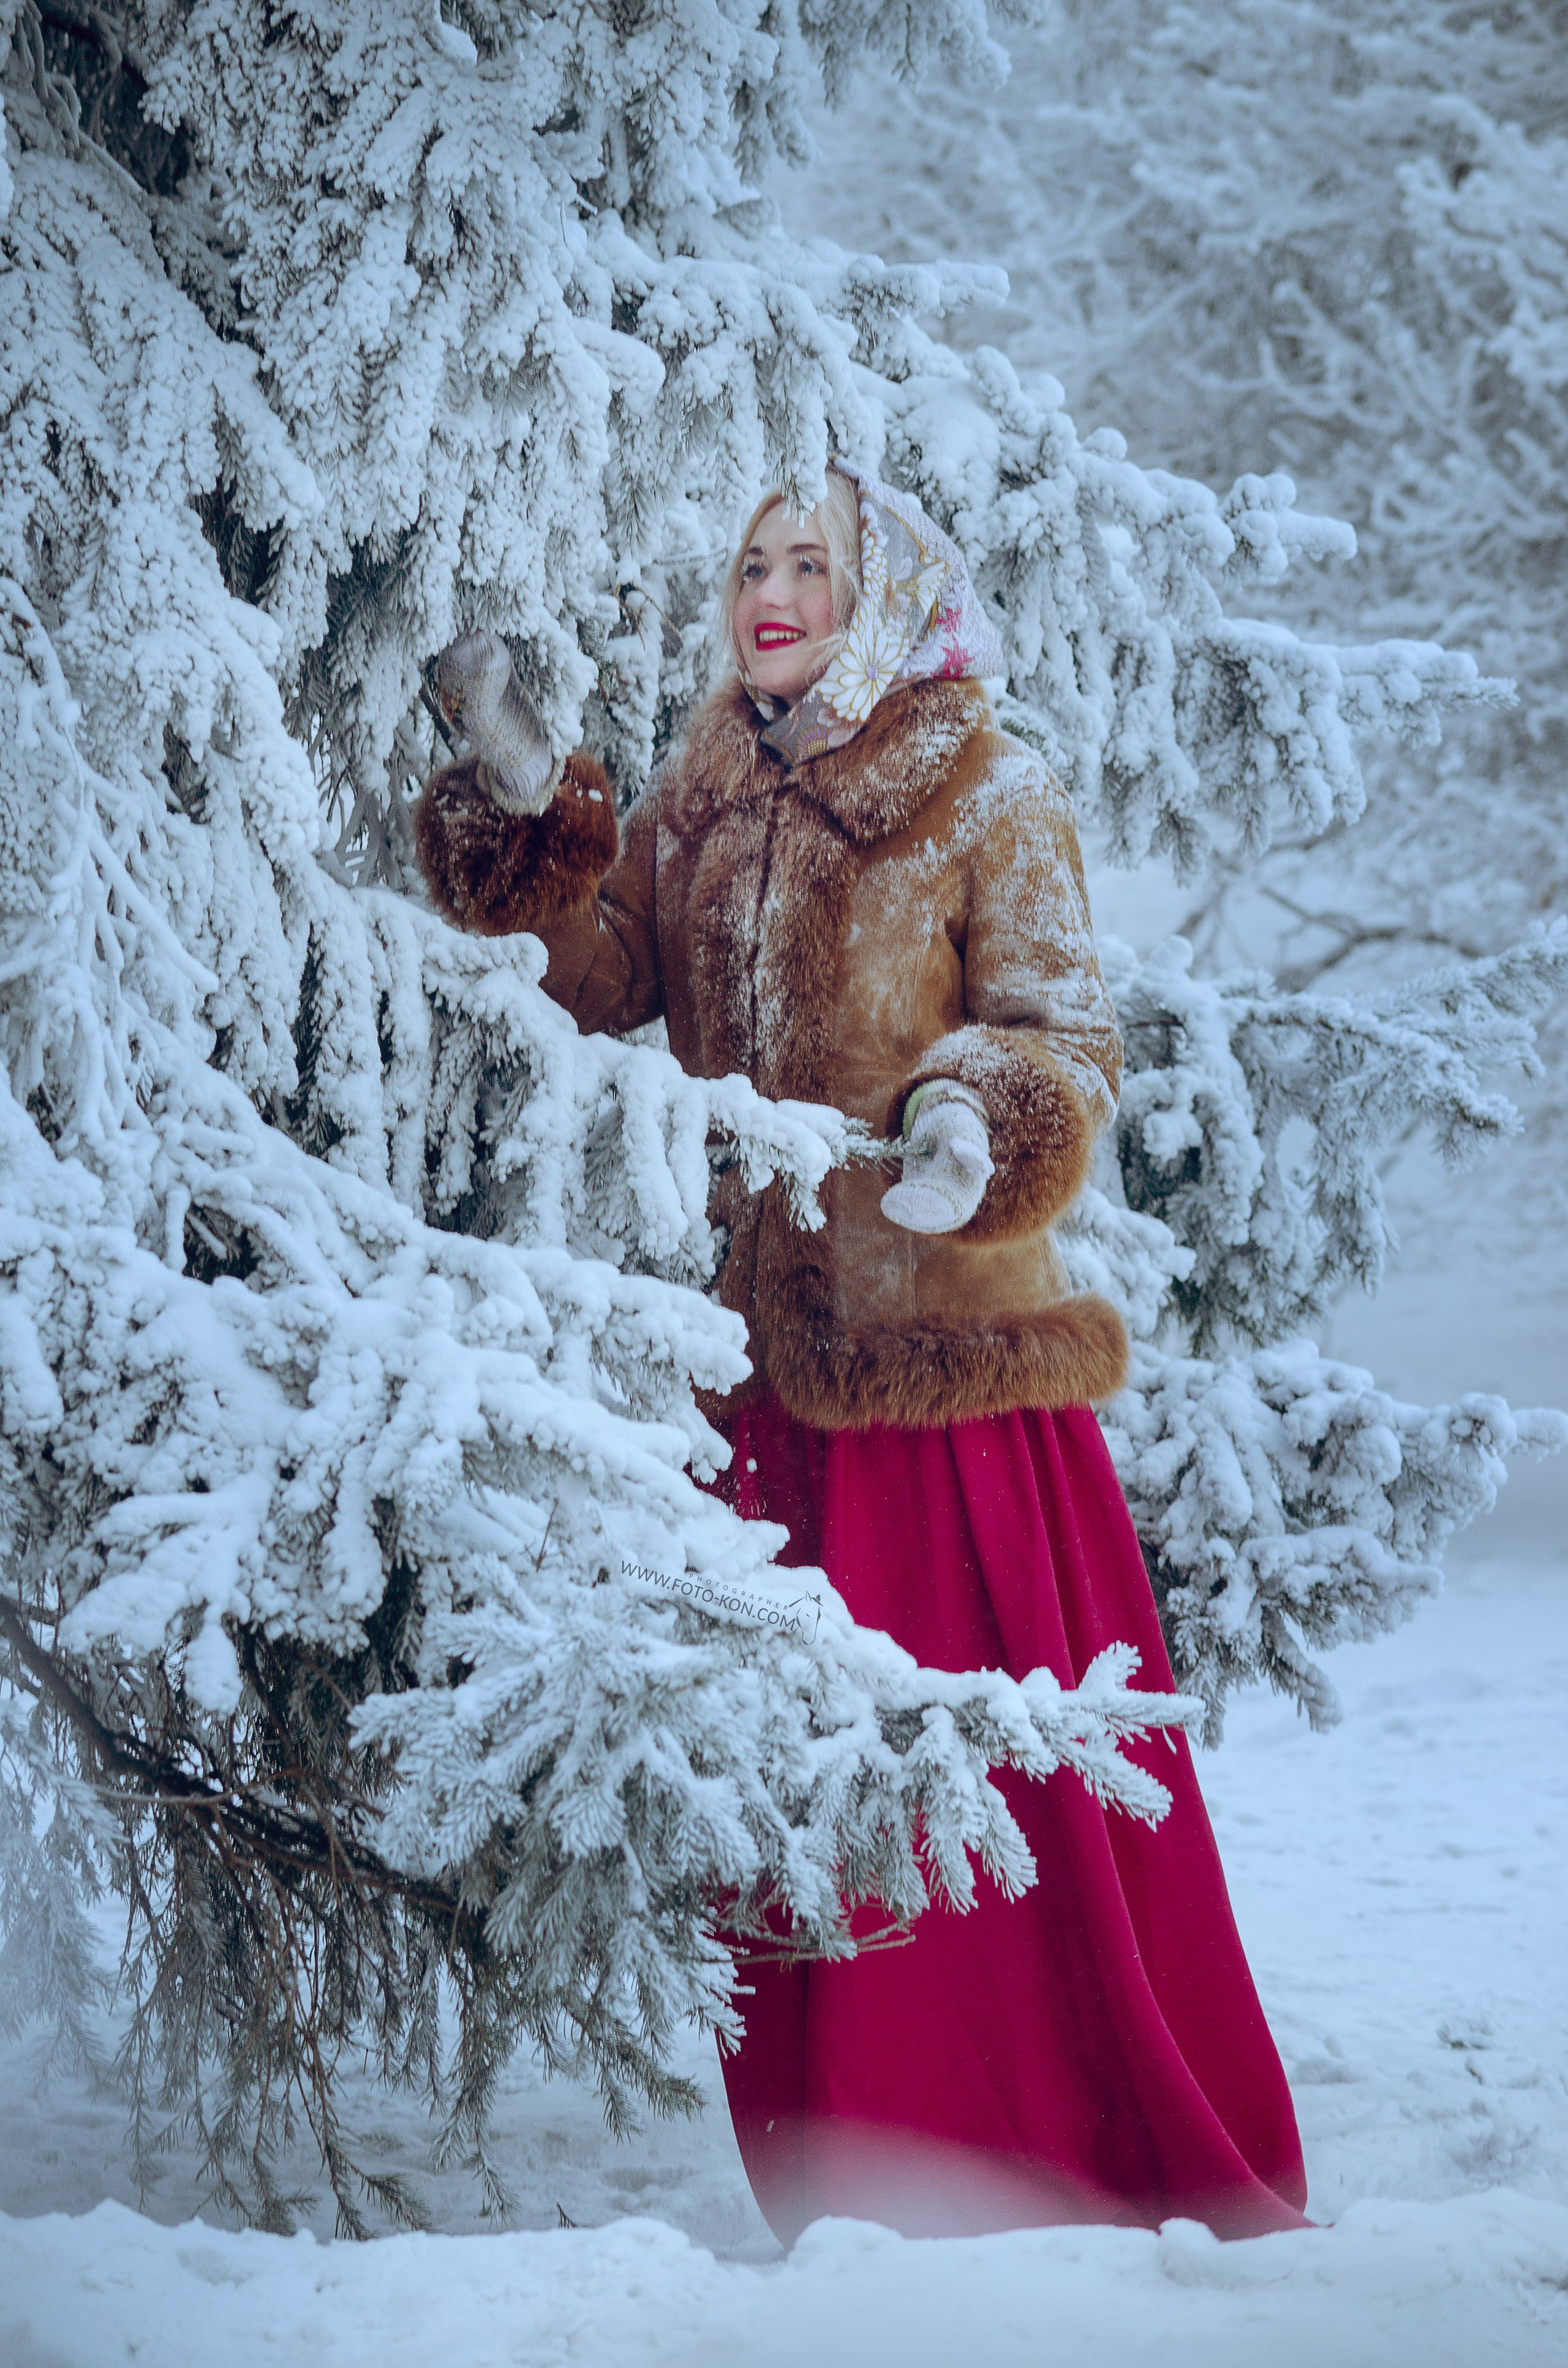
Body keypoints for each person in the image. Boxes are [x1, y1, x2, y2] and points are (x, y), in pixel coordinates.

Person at [415, 464, 1310, 2245]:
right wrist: (532, 817)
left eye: (812, 563)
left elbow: (1064, 1034)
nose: (774, 590)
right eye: (755, 561)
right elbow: (604, 988)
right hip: (768, 1395)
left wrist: (977, 1119)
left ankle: (1073, 2159)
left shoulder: (987, 782)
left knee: (994, 1811)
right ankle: (855, 2189)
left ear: (886, 590)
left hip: (952, 1396)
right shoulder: (704, 795)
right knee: (810, 1813)